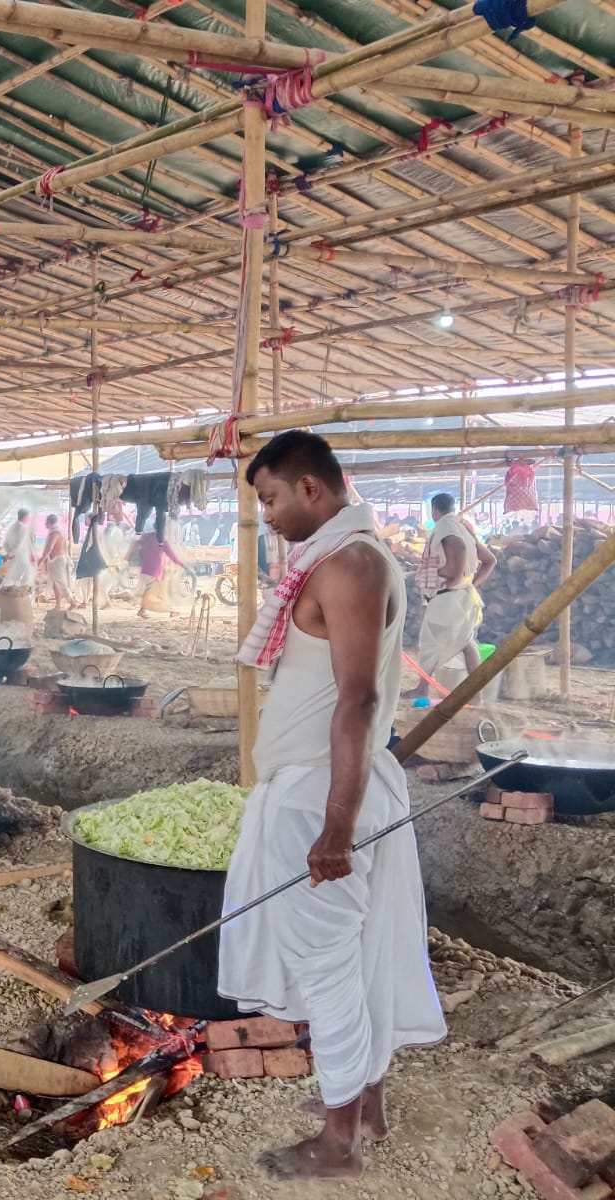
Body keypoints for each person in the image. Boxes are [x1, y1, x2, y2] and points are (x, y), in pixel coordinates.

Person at [219, 431, 445, 1182]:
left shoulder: (349, 563)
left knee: (328, 968)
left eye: (272, 498)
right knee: (364, 952)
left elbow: (358, 700)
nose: (269, 515)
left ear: (312, 487)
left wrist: (335, 828)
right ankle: (366, 1105)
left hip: (326, 791)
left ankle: (339, 1142)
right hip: (327, 785)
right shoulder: (347, 557)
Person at [410, 493, 496, 700]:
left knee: (432, 643)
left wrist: (457, 577)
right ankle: (476, 695)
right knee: (465, 643)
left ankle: (424, 688)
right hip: (463, 595)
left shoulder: (445, 527)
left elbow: (458, 547)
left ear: (435, 510)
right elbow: (490, 560)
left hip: (448, 596)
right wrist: (470, 584)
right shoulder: (463, 527)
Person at [135, 526, 185, 619]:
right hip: (154, 571)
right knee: (156, 594)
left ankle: (142, 610)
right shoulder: (162, 540)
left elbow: (138, 545)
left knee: (147, 592)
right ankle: (171, 610)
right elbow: (171, 555)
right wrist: (181, 564)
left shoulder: (146, 537)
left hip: (145, 568)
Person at [37, 513, 73, 609]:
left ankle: (72, 601)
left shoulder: (55, 532)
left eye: (46, 522)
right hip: (57, 560)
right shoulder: (60, 531)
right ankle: (58, 604)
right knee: (55, 583)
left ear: (49, 522)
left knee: (61, 582)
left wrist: (41, 560)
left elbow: (49, 548)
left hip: (58, 560)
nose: (45, 524)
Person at [1, 509, 35, 589]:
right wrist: (9, 555)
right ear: (25, 517)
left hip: (14, 556)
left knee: (13, 576)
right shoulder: (23, 528)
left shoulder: (12, 527)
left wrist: (9, 554)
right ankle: (18, 592)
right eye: (28, 517)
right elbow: (19, 545)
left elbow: (5, 544)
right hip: (22, 557)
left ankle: (11, 591)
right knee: (27, 575)